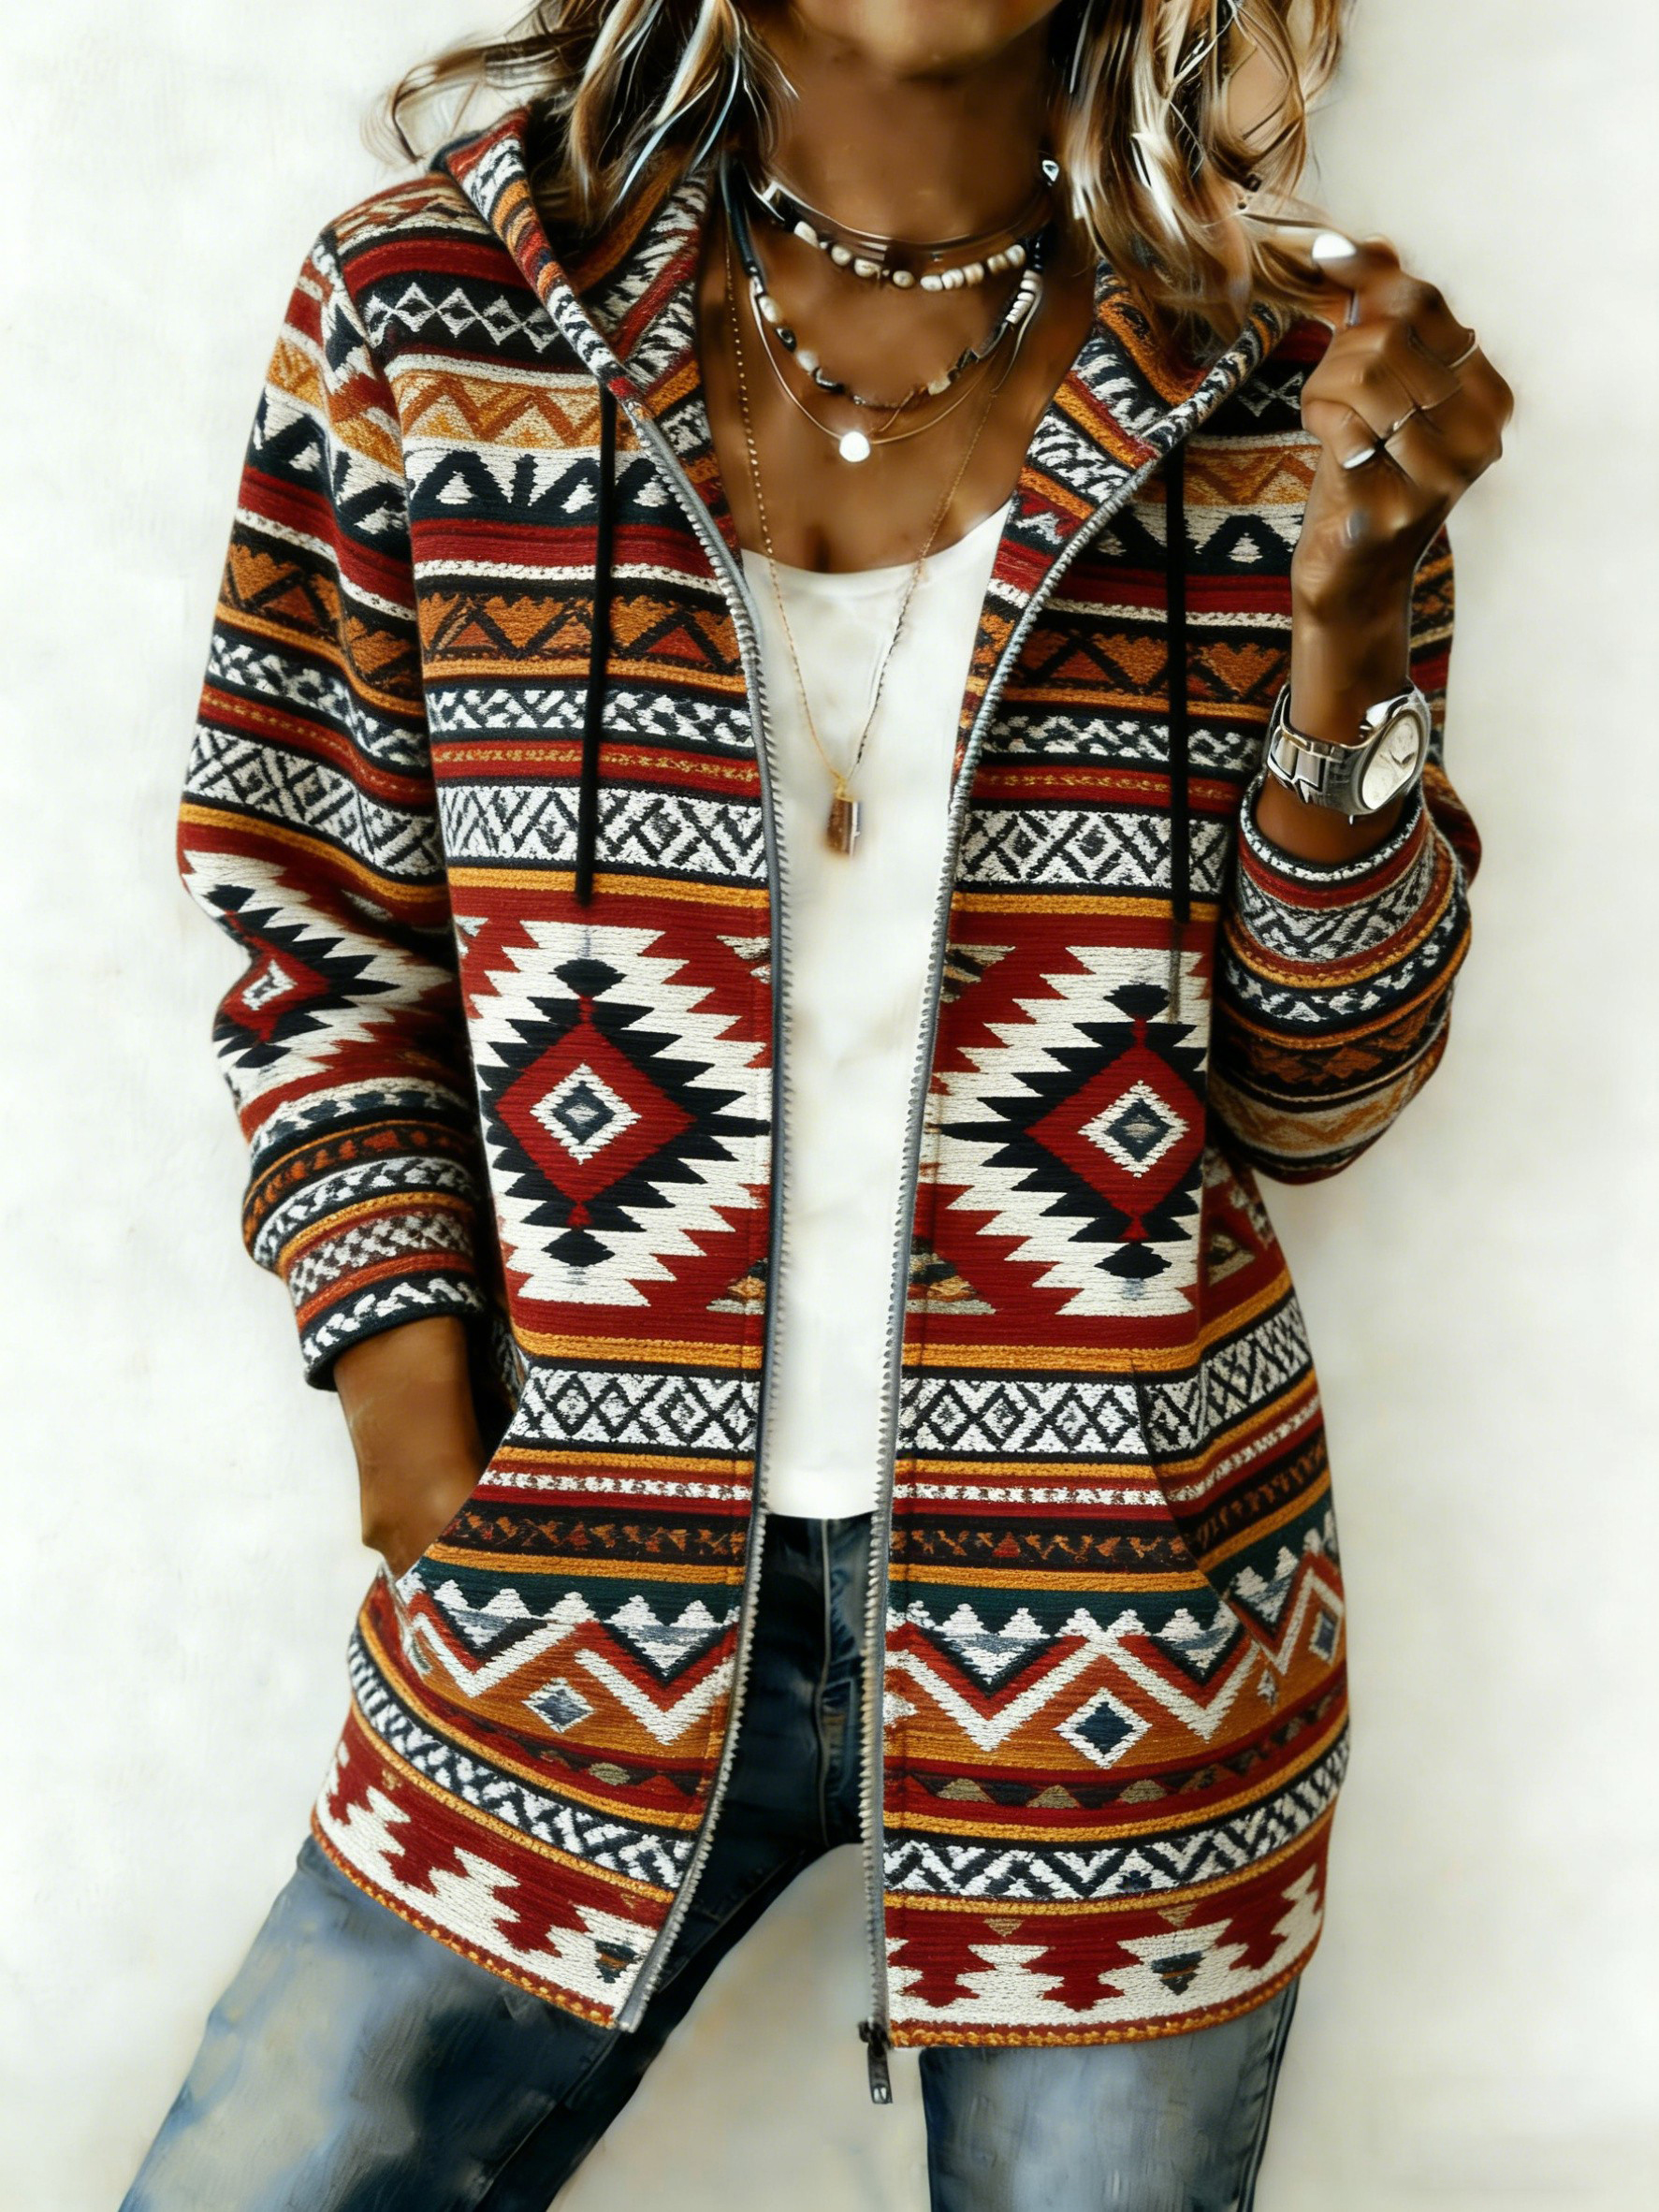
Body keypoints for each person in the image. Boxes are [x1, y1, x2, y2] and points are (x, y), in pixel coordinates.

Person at [126, 3, 1509, 2205]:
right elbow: (311, 911)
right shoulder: (431, 310)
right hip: (564, 1588)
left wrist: (1343, 627)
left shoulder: (1287, 373)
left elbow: (1310, 1092)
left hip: (1124, 1632)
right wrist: (416, 1433)